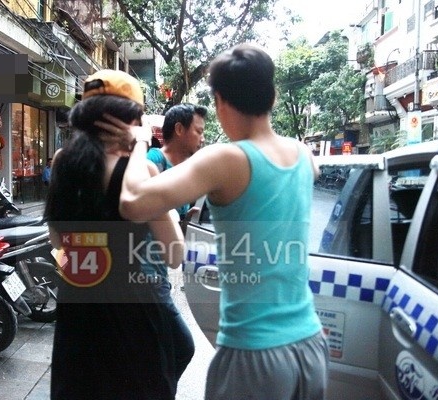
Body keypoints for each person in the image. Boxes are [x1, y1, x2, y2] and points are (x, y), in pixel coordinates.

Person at [98, 43, 329, 400]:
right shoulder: (302, 153)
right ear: (272, 95)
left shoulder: (226, 159)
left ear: (220, 101)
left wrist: (140, 143)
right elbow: (305, 176)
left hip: (255, 354)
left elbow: (131, 203)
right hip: (310, 347)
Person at [43, 69, 185, 400]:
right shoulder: (142, 171)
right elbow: (175, 253)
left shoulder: (63, 162)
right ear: (134, 119)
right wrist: (140, 145)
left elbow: (57, 240)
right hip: (132, 309)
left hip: (77, 305)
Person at [140, 103, 208, 383]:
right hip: (143, 273)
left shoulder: (186, 172)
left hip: (159, 271)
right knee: (182, 346)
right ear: (179, 129)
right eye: (198, 131)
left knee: (158, 350)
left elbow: (169, 228)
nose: (202, 137)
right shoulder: (153, 161)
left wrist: (185, 220)